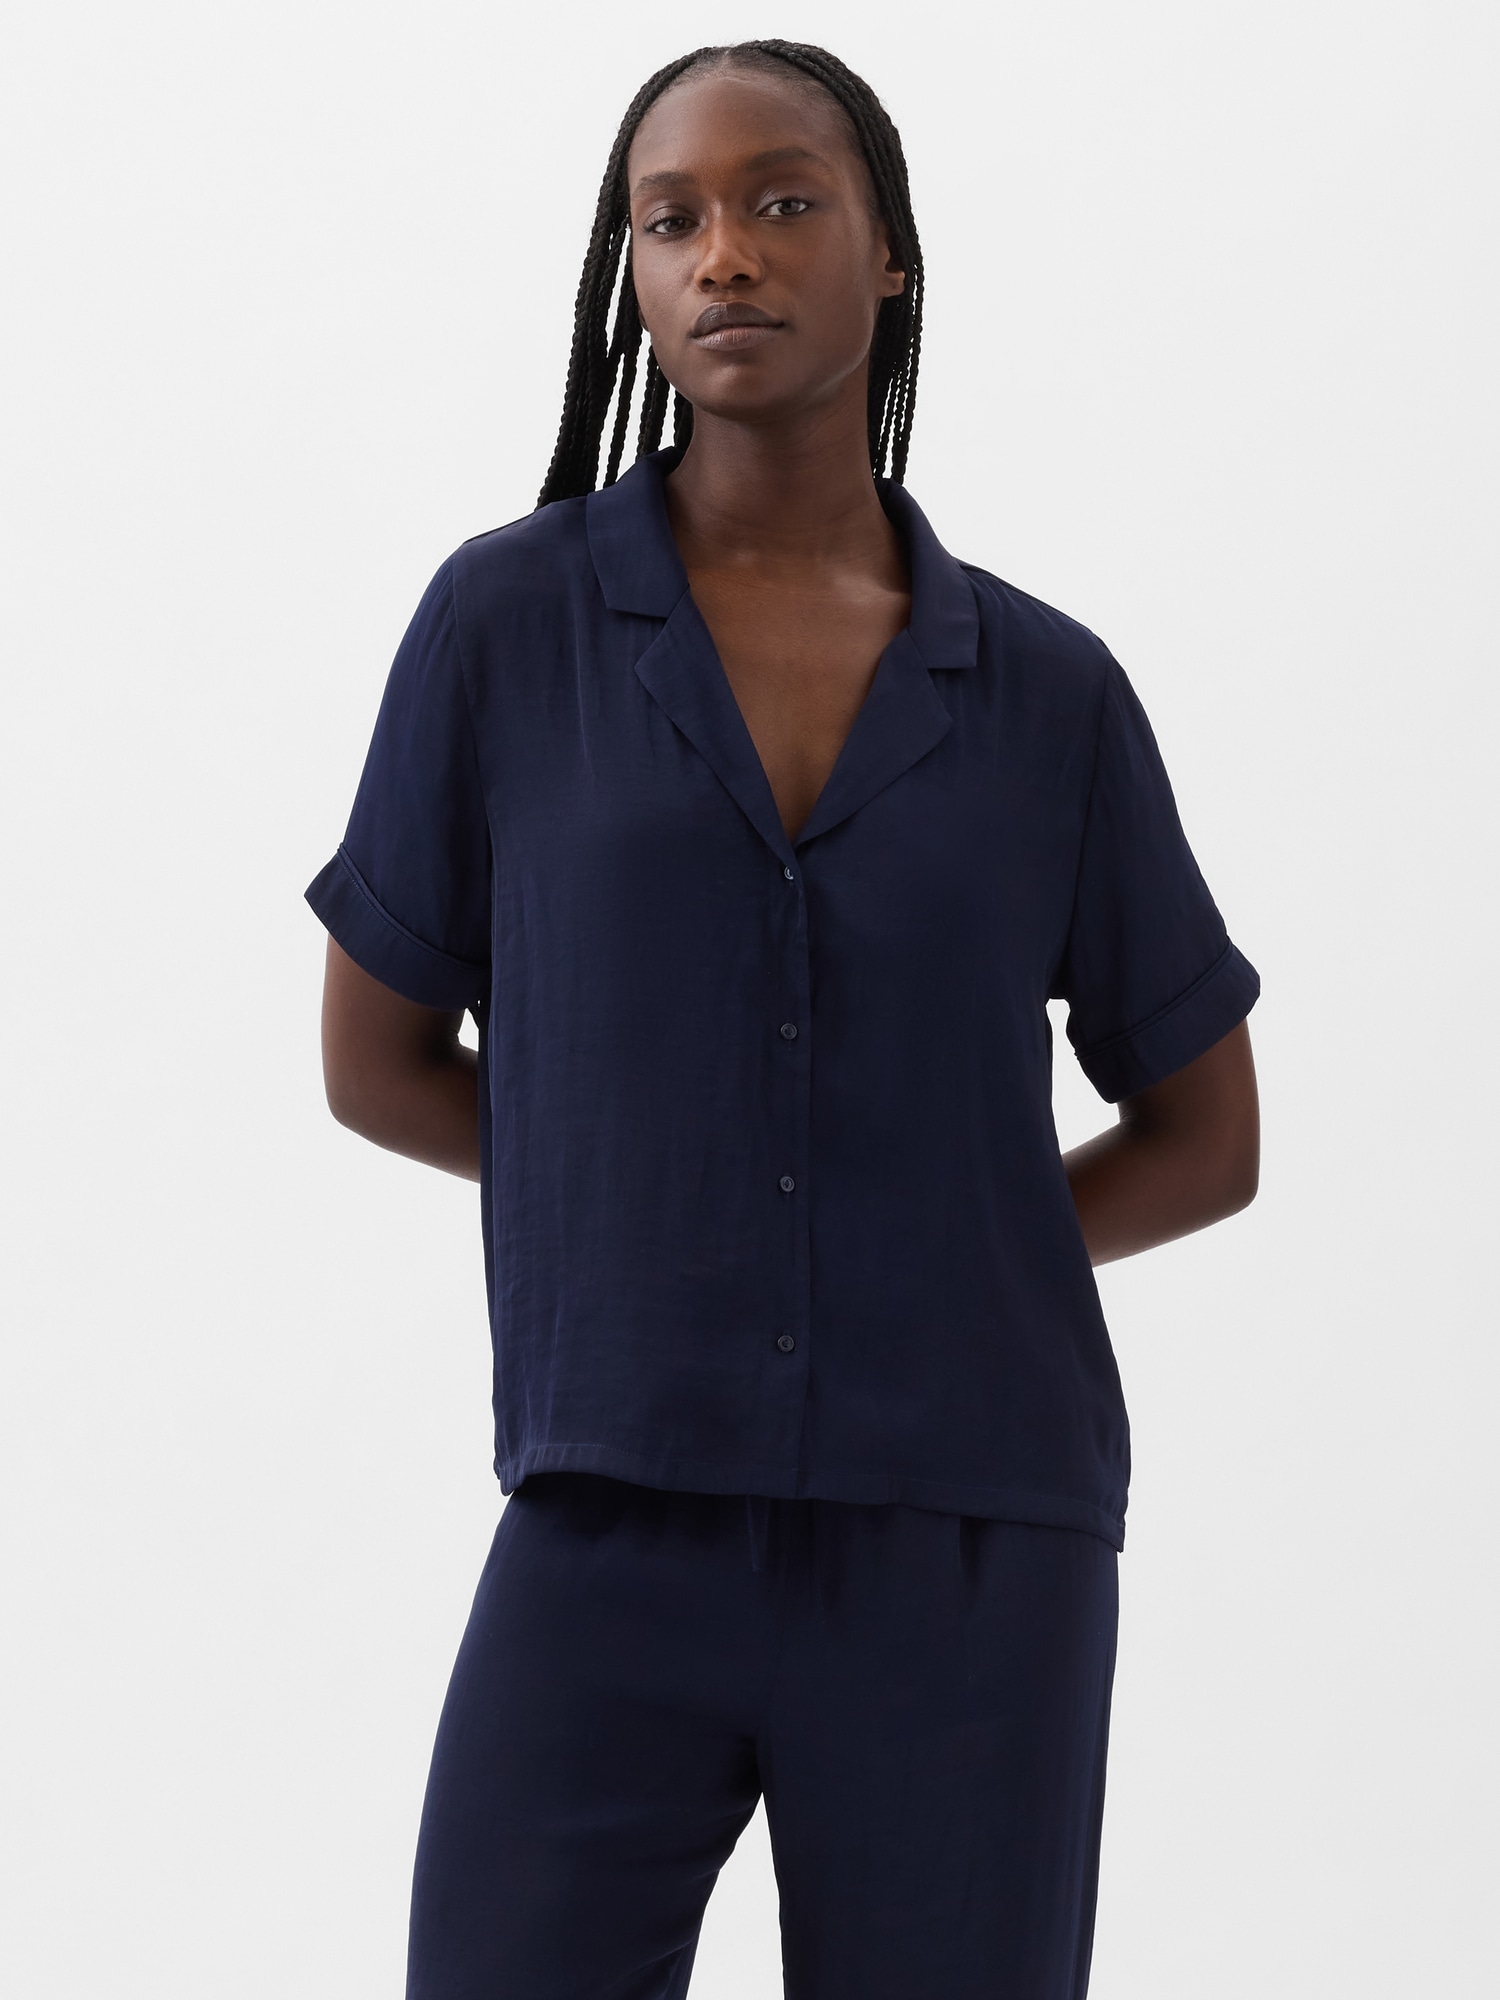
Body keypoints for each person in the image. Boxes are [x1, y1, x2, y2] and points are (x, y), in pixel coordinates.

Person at [307, 38, 1260, 2000]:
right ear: (634, 275)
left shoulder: (1050, 695)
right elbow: (375, 1059)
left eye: (783, 202)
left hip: (970, 1531)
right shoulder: (506, 629)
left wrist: (935, 1248)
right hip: (611, 1499)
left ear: (889, 253)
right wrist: (658, 1209)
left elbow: (1208, 1133)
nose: (724, 254)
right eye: (672, 220)